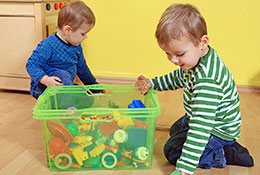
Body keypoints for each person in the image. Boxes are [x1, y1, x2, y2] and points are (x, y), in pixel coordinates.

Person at [135, 4, 254, 175]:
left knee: (172, 150)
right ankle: (220, 146)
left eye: (179, 54)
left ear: (203, 42)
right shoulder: (198, 56)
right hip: (206, 118)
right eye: (167, 53)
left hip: (216, 128)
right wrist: (152, 83)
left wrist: (185, 167)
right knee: (176, 129)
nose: (173, 60)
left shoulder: (207, 82)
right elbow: (177, 78)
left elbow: (201, 127)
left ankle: (224, 154)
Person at [26, 1, 98, 99]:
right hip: (43, 87)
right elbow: (31, 64)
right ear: (67, 30)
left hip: (64, 86)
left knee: (88, 98)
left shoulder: (76, 46)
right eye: (83, 34)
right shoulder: (48, 45)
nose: (85, 37)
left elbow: (83, 70)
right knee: (62, 74)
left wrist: (96, 87)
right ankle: (68, 101)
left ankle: (71, 96)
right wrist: (46, 79)